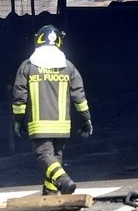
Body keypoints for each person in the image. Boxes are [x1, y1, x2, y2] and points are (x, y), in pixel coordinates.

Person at [12, 24, 93, 195]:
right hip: (62, 124)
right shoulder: (68, 67)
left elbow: (20, 97)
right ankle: (49, 194)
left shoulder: (27, 66)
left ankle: (64, 181)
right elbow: (79, 95)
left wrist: (18, 120)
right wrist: (86, 119)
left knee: (43, 154)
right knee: (55, 156)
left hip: (40, 124)